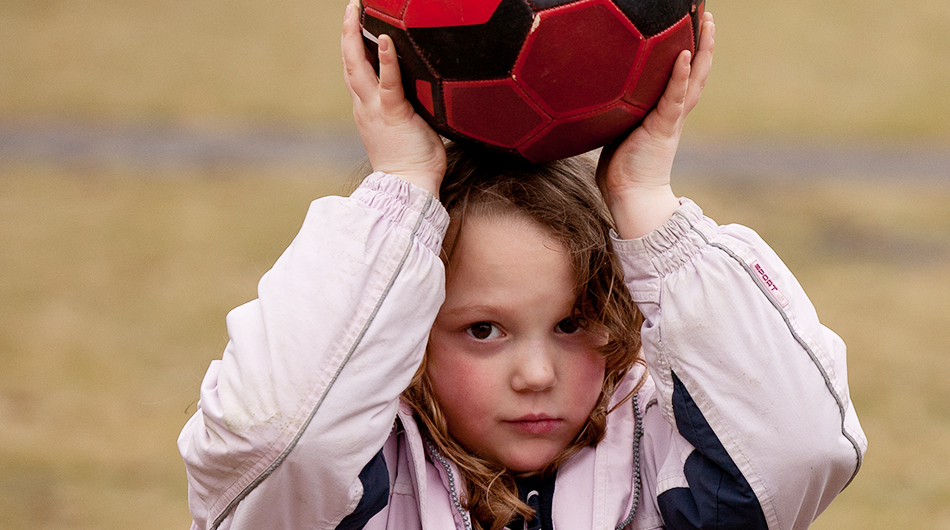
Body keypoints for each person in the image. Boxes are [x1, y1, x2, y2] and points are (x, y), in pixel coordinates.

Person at [178, 1, 867, 529]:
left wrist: (645, 203)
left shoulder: (660, 474)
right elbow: (277, 437)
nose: (537, 375)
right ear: (404, 341)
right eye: (483, 330)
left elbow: (801, 448)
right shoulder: (349, 493)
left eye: (572, 324)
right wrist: (401, 188)